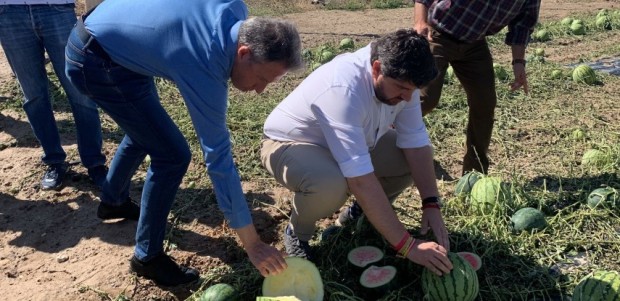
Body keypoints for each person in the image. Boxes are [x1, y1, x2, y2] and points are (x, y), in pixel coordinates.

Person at [65, 0, 303, 286]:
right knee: (172, 154)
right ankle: (147, 257)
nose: (261, 90)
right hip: (93, 59)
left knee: (146, 128)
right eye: (262, 78)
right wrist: (253, 244)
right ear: (243, 52)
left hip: (117, 48)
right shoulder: (204, 61)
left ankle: (113, 201)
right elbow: (218, 159)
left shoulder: (235, 11)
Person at [261, 29, 453, 276]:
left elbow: (415, 143)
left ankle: (360, 215)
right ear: (376, 69)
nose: (407, 98)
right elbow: (360, 180)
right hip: (290, 145)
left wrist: (431, 203)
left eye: (412, 91)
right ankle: (298, 233)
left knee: (407, 160)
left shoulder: (404, 81)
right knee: (330, 183)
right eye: (401, 89)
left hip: (354, 140)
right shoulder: (343, 88)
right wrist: (408, 246)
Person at [413, 0, 540, 174]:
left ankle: (475, 172)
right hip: (437, 34)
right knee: (424, 100)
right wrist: (420, 21)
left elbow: (523, 25)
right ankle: (385, 141)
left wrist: (518, 63)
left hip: (474, 43)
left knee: (485, 104)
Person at [0, 0, 107, 190]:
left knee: (80, 91)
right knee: (33, 96)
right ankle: (54, 161)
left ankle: (95, 163)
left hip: (55, 9)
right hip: (9, 13)